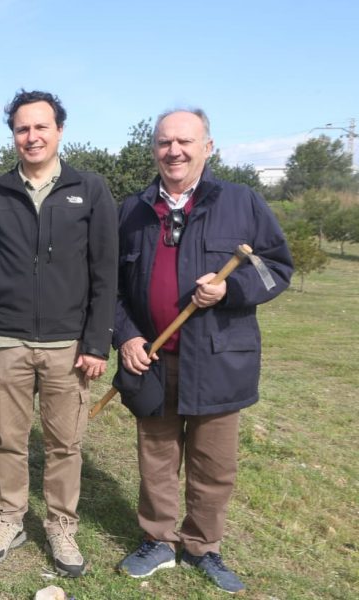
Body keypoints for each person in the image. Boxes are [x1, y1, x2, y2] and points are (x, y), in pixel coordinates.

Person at [114, 108, 292, 594]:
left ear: (207, 147)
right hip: (152, 358)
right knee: (156, 455)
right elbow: (111, 286)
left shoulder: (241, 202)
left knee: (214, 464)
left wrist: (229, 292)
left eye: (186, 141)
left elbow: (277, 268)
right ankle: (158, 540)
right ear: (154, 149)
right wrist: (126, 335)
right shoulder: (131, 209)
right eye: (165, 142)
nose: (175, 151)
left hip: (218, 359)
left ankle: (203, 545)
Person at [0, 90, 117, 576]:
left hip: (68, 345)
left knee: (65, 443)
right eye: (22, 129)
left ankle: (61, 525)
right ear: (13, 136)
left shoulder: (89, 190)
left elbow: (105, 273)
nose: (32, 136)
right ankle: (9, 518)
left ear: (59, 131)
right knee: (8, 439)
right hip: (6, 340)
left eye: (41, 127)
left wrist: (95, 343)